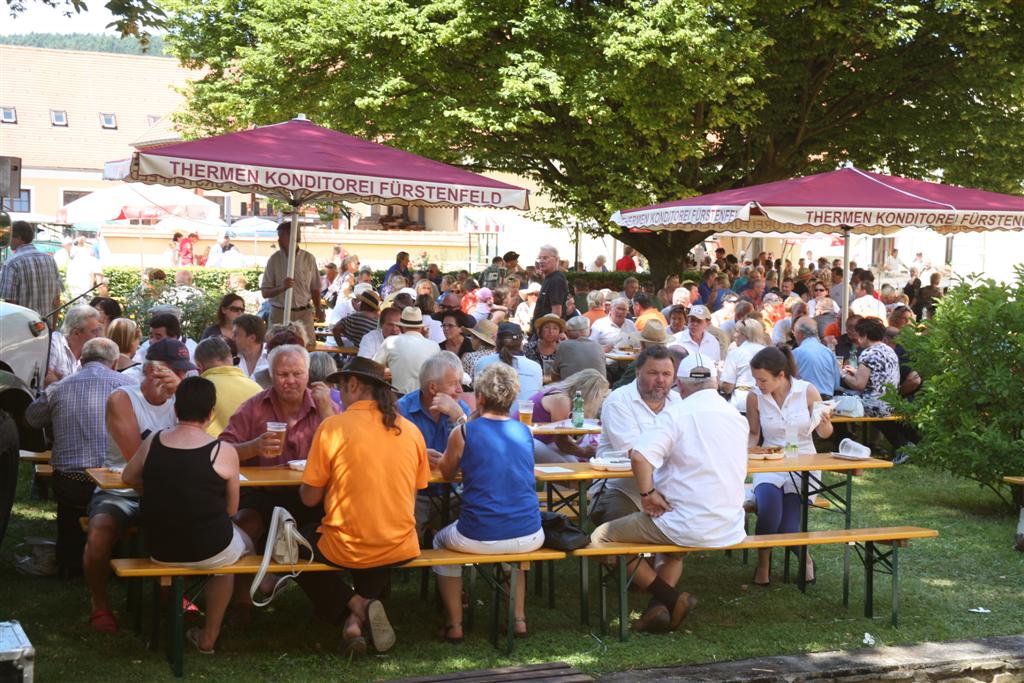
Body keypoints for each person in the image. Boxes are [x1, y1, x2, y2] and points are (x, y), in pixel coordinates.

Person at [589, 352, 747, 633]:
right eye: (653, 373)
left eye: (667, 375)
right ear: (715, 382)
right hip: (729, 522)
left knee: (601, 538)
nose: (661, 381)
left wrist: (648, 494)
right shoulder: (735, 415)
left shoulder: (677, 411)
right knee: (665, 536)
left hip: (679, 514)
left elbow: (639, 457)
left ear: (680, 385)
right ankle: (661, 606)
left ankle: (669, 599)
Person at [297, 357, 429, 656]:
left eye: (341, 389)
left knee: (294, 547)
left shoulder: (333, 427)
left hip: (351, 544)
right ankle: (353, 625)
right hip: (400, 541)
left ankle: (357, 606)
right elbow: (418, 486)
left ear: (353, 385)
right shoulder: (411, 430)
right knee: (375, 540)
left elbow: (309, 499)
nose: (339, 396)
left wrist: (307, 482)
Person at [121, 377, 251, 655]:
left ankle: (189, 604)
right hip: (211, 547)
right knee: (238, 554)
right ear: (211, 413)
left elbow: (128, 476)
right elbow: (231, 510)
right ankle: (210, 635)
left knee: (224, 554)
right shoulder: (223, 451)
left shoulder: (154, 441)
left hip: (160, 548)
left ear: (176, 409)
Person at [84, 339, 191, 632]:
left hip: (166, 491)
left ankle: (172, 595)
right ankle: (99, 603)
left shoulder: (183, 401)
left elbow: (199, 445)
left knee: (199, 523)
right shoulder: (123, 399)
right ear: (151, 370)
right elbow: (136, 461)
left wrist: (183, 397)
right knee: (100, 531)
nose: (179, 378)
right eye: (174, 371)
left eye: (183, 372)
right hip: (122, 490)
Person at [434, 362, 543, 642]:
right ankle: (518, 618)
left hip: (478, 534)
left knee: (438, 541)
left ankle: (454, 623)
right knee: (512, 553)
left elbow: (447, 473)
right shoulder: (525, 432)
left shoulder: (464, 432)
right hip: (530, 533)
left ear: (480, 398)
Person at [25, 338, 128, 578]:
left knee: (69, 509)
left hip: (71, 482)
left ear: (80, 359)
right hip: (114, 482)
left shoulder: (59, 388)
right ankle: (115, 558)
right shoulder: (128, 386)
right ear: (114, 363)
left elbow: (31, 419)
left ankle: (70, 562)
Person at [747, 345, 833, 586]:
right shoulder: (755, 397)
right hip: (770, 463)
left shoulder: (807, 391)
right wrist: (744, 456)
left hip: (803, 462)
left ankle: (806, 560)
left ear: (781, 375)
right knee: (769, 512)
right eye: (756, 379)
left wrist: (825, 422)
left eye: (762, 379)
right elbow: (754, 434)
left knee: (788, 526)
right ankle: (763, 564)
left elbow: (825, 433)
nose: (759, 384)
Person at [396, 352, 470, 539]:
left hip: (453, 494)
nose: (460, 390)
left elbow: (477, 452)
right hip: (413, 494)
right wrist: (417, 454)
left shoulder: (460, 409)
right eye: (454, 383)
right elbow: (388, 454)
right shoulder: (402, 410)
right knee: (406, 538)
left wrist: (459, 418)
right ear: (432, 387)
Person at [523, 369, 608, 463]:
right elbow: (560, 440)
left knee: (574, 464)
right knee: (562, 464)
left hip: (539, 438)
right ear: (592, 395)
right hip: (527, 439)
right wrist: (584, 451)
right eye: (601, 397)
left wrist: (576, 445)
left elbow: (561, 437)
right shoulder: (562, 400)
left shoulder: (560, 393)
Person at [261, 222, 323, 341]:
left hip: (304, 314)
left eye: (281, 236)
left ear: (293, 236)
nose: (278, 240)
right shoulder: (274, 260)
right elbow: (265, 292)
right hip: (279, 313)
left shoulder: (308, 258)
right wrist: (281, 287)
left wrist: (319, 308)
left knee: (307, 348)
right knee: (276, 347)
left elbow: (315, 287)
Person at [194, 337, 262, 436]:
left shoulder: (199, 390)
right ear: (230, 357)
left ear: (199, 366)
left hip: (214, 449)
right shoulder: (257, 388)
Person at [373, 306, 441, 395]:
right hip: (425, 397)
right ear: (420, 328)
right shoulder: (434, 346)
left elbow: (373, 367)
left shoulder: (390, 341)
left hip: (399, 398)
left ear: (401, 327)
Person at [841, 317, 901, 416]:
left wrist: (841, 373)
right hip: (889, 406)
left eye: (859, 335)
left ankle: (844, 432)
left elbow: (859, 385)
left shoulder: (869, 353)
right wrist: (856, 372)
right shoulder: (889, 350)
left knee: (834, 401)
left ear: (865, 336)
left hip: (872, 407)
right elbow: (879, 376)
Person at [474, 322, 542, 402]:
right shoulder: (535, 367)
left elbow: (478, 397)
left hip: (491, 413)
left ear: (496, 341)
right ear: (521, 342)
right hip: (525, 413)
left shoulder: (483, 362)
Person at [47, 304, 105, 386]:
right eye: (94, 332)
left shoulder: (91, 353)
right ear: (76, 333)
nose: (97, 336)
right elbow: (46, 377)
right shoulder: (55, 341)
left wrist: (60, 378)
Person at [720, 319, 768, 412]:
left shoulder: (735, 353)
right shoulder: (768, 352)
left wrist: (718, 379)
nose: (734, 335)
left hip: (742, 404)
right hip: (765, 404)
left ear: (745, 334)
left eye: (737, 332)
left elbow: (728, 387)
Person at [791, 317, 840, 400]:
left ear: (800, 334)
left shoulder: (797, 353)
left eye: (794, 333)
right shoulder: (828, 352)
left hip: (806, 401)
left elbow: (790, 383)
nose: (794, 336)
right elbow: (836, 384)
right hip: (827, 402)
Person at [553, 316, 606, 381]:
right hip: (600, 389)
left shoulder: (563, 346)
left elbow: (554, 375)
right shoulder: (599, 347)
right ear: (590, 332)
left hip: (572, 390)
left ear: (568, 333)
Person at [532, 245, 568, 330]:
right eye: (539, 258)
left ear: (556, 259)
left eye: (545, 258)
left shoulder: (556, 280)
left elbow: (556, 312)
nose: (541, 261)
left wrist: (550, 332)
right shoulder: (548, 277)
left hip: (547, 334)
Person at [232, 314, 269, 380]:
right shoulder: (229, 357)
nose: (232, 338)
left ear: (252, 338)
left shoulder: (273, 356)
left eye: (236, 334)